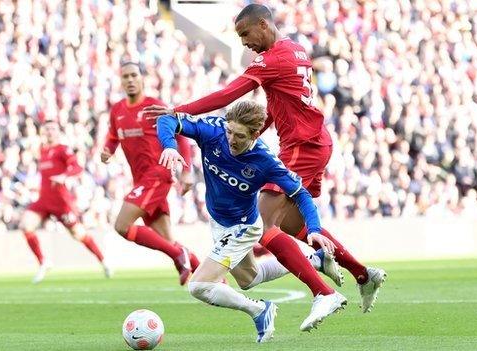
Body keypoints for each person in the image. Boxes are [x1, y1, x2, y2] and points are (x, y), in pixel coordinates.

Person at [144, 4, 386, 312]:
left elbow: (228, 95)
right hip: (314, 141)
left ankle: (323, 293)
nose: (245, 43)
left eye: (246, 34)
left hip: (301, 145)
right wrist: (256, 134)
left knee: (263, 225)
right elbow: (278, 105)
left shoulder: (271, 59)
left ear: (263, 25)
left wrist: (179, 110)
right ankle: (363, 275)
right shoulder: (296, 50)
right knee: (295, 226)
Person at [157, 101, 347, 337]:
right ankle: (315, 260)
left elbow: (301, 194)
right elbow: (167, 119)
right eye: (229, 131)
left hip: (243, 227)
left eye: (239, 136)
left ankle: (258, 310)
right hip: (218, 220)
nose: (231, 140)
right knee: (250, 278)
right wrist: (169, 146)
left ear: (256, 134)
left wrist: (315, 228)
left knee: (199, 286)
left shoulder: (265, 161)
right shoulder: (213, 130)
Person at [101, 62, 199, 285]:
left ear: (142, 78)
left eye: (134, 75)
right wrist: (108, 150)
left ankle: (178, 257)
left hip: (158, 174)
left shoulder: (154, 106)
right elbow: (113, 137)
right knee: (168, 240)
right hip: (141, 180)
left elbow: (180, 135)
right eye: (125, 76)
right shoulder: (117, 110)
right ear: (121, 80)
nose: (130, 80)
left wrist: (185, 171)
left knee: (122, 226)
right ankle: (211, 280)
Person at [20, 120, 111, 284]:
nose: (49, 132)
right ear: (43, 132)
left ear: (58, 132)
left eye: (53, 129)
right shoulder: (42, 150)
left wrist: (64, 176)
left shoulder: (63, 149)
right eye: (46, 129)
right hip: (44, 199)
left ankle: (103, 260)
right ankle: (43, 262)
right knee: (26, 225)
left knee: (79, 234)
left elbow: (77, 167)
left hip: (61, 202)